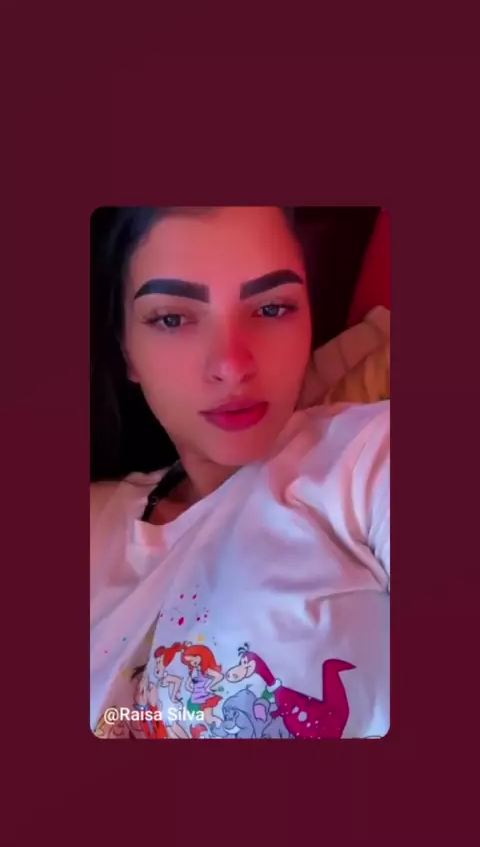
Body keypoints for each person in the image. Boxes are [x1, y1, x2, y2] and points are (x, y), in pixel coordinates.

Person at [90, 206, 390, 740]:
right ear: (126, 349)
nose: (231, 364)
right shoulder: (92, 521)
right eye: (173, 318)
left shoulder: (366, 457)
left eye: (272, 308)